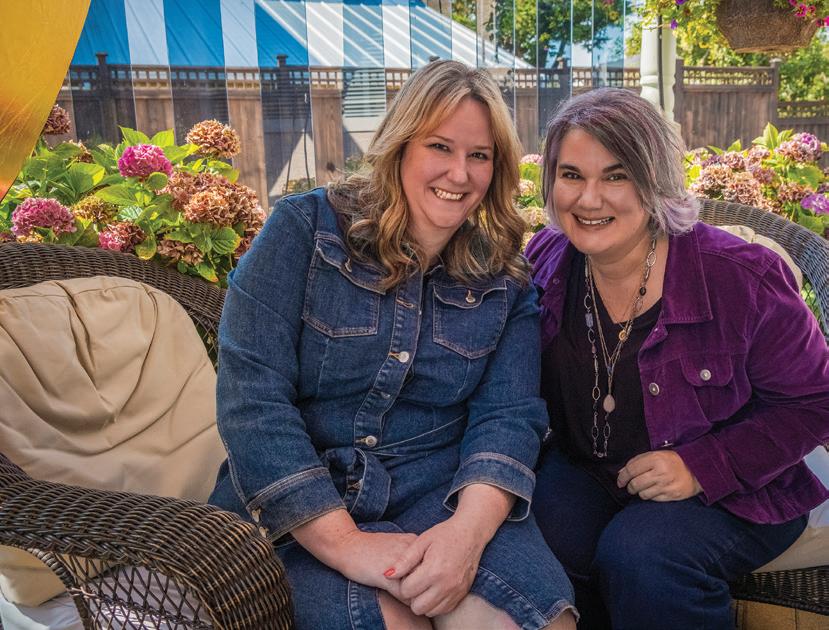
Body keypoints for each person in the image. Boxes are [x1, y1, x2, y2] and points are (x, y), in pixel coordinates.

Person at [209, 60, 576, 630]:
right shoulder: (304, 231)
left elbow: (508, 417)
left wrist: (465, 536)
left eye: (479, 155)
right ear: (400, 145)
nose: (459, 173)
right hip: (300, 506)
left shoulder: (504, 278)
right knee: (390, 622)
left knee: (537, 623)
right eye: (440, 147)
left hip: (440, 494)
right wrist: (347, 544)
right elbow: (252, 401)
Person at [526, 87, 829, 629]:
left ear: (655, 181)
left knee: (643, 556)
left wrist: (702, 467)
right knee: (532, 531)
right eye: (571, 175)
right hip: (590, 471)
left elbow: (813, 401)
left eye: (616, 176)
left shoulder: (742, 277)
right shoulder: (547, 261)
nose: (589, 200)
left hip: (739, 488)